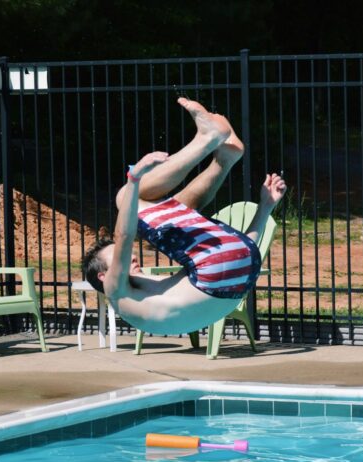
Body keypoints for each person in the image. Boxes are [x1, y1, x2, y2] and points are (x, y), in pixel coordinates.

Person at [82, 97, 287, 336]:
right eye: (119, 258)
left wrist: (265, 207)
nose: (132, 257)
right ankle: (207, 140)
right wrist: (134, 178)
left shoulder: (158, 291)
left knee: (176, 217)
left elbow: (235, 255)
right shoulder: (115, 291)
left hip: (242, 271)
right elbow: (124, 236)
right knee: (125, 196)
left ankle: (224, 159)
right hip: (220, 277)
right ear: (104, 276)